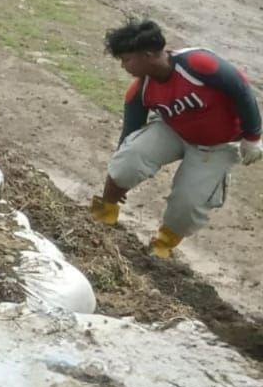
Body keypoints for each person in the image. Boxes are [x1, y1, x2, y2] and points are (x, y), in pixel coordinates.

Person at [89, 19, 261, 258]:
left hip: (217, 145)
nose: (123, 66)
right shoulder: (140, 91)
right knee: (127, 160)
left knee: (187, 205)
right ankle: (103, 212)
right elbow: (129, 134)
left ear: (148, 55)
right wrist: (121, 177)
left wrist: (253, 136)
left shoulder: (199, 64)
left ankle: (162, 245)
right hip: (173, 130)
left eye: (126, 59)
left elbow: (242, 90)